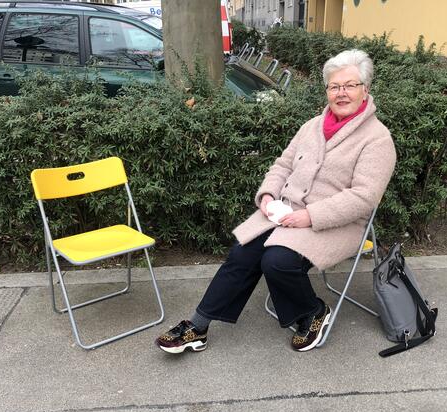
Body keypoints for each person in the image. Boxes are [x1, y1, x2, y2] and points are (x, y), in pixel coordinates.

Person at [156, 49, 397, 354]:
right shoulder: (312, 126)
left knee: (276, 261)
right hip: (286, 212)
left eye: (350, 85)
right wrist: (268, 194)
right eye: (334, 86)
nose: (341, 93)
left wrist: (310, 216)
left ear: (365, 89)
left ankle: (312, 312)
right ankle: (199, 325)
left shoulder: (377, 138)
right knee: (242, 253)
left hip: (338, 223)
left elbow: (364, 197)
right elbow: (282, 165)